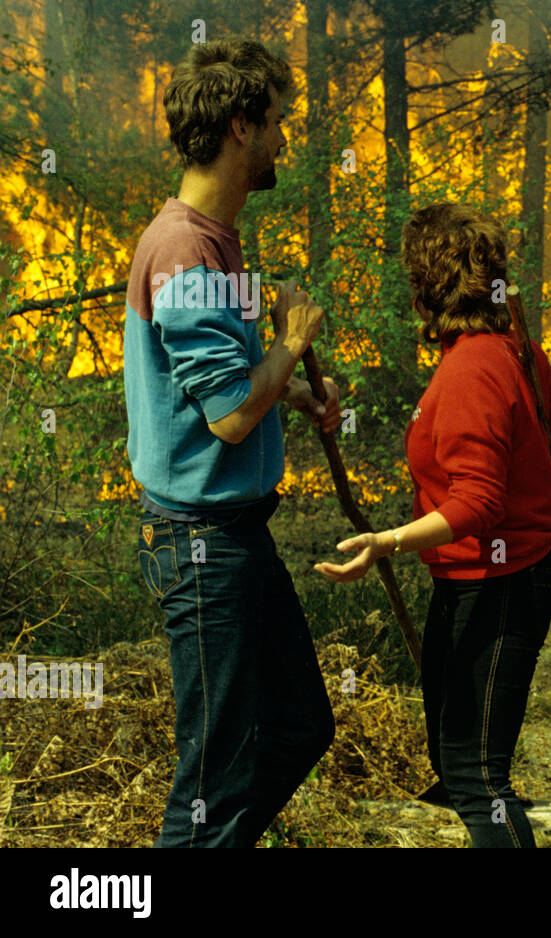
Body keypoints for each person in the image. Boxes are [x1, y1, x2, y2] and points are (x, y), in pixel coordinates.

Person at [315, 202, 551, 848]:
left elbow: (478, 504)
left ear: (427, 287)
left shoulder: (474, 368)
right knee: (453, 763)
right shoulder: (511, 350)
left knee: (477, 780)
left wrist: (385, 543)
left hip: (497, 591)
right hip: (480, 583)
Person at [125, 38, 342, 847]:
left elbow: (208, 386)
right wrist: (290, 341)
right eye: (279, 121)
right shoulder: (186, 249)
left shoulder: (211, 239)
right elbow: (223, 416)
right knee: (210, 790)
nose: (287, 138)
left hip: (233, 536)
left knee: (295, 729)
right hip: (201, 547)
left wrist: (294, 389)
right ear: (243, 128)